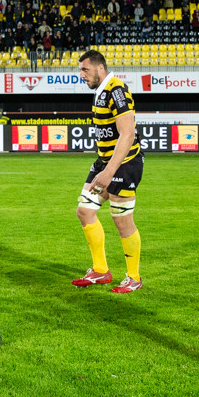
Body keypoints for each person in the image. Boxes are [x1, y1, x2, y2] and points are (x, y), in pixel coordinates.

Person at [72, 49, 144, 293]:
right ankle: (101, 270)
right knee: (84, 211)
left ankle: (134, 277)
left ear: (100, 68)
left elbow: (128, 133)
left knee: (122, 221)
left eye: (85, 70)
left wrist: (109, 171)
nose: (82, 75)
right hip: (104, 162)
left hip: (125, 163)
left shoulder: (117, 90)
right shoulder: (101, 92)